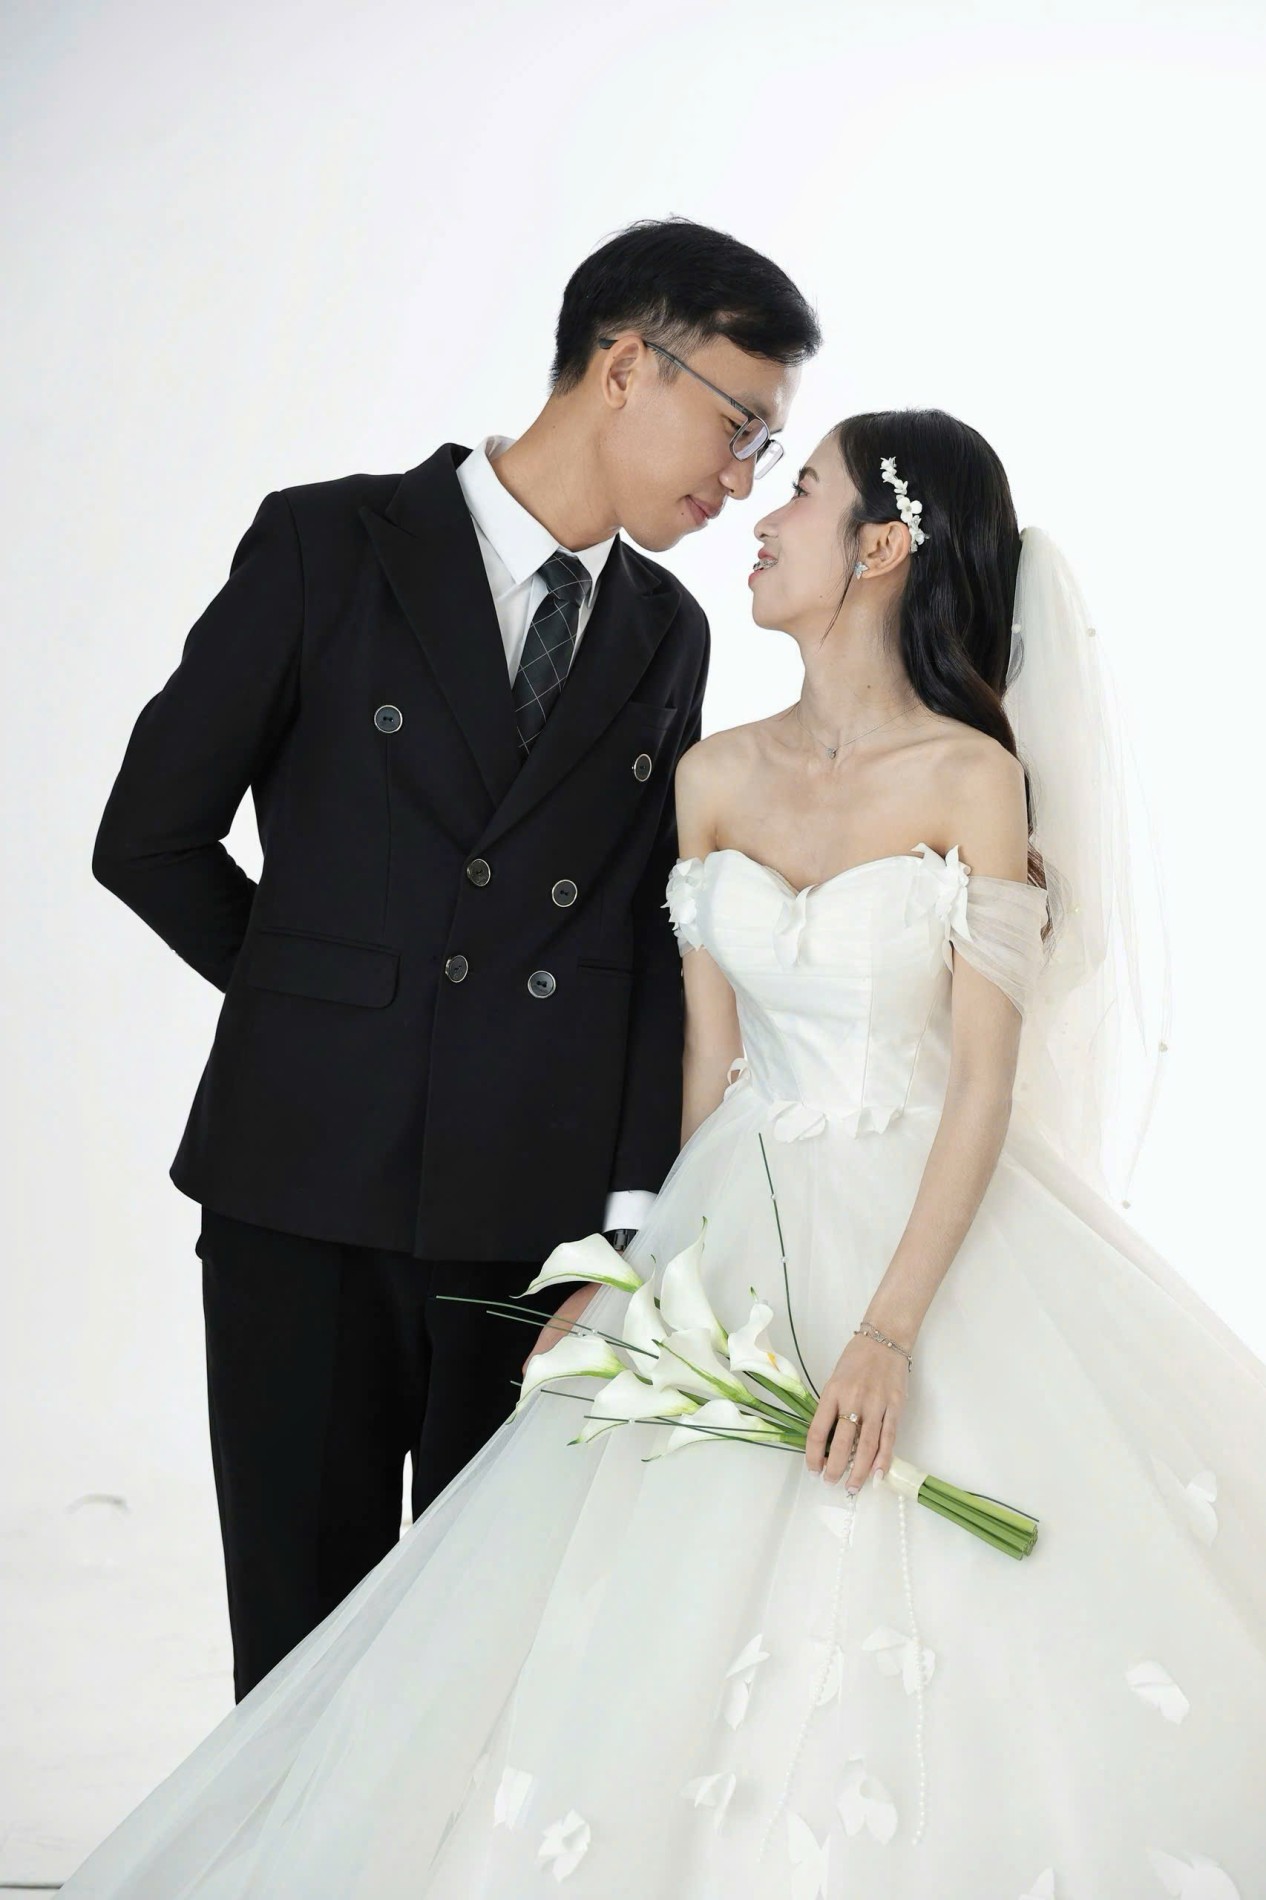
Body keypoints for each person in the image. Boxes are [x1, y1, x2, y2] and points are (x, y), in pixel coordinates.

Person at [68, 409, 1266, 1897]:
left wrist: (887, 1333)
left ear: (881, 548)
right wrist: (629, 1268)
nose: (760, 515)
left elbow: (979, 1086)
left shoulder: (972, 781)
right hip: (734, 1215)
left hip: (922, 1220)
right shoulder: (714, 775)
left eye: (803, 490)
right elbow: (706, 1067)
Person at [88, 216, 820, 1700]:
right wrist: (337, 1010)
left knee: (483, 1672)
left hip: (531, 1218)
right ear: (627, 366)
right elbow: (148, 836)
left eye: (768, 447)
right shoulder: (327, 544)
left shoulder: (665, 633)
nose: (741, 479)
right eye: (739, 425)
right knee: (300, 1654)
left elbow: (647, 939)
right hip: (307, 1183)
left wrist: (627, 1231)